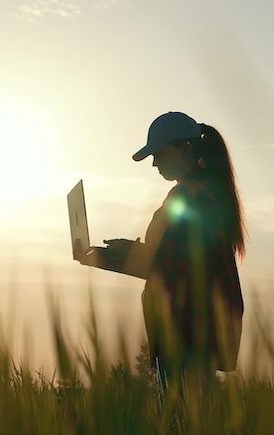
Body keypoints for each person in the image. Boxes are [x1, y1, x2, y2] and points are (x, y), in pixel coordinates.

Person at [75, 111, 246, 392]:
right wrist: (125, 251)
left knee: (182, 420)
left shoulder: (189, 197)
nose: (154, 163)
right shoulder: (205, 194)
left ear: (186, 149)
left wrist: (102, 258)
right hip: (195, 332)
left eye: (160, 154)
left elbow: (168, 267)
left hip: (185, 332)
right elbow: (177, 259)